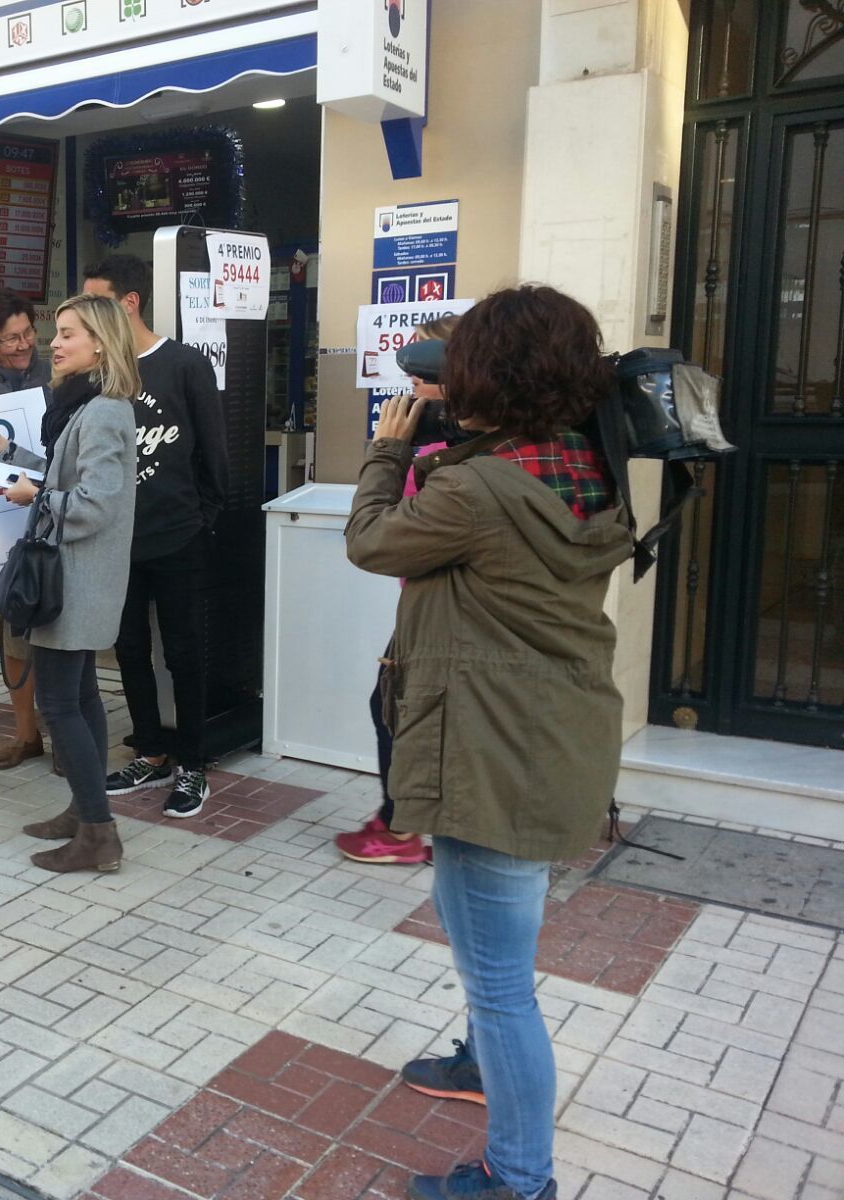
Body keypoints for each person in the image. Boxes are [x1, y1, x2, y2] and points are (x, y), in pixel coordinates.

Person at [345, 285, 634, 1200]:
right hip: (550, 738)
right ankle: (479, 1063)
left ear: (488, 381)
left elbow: (372, 542)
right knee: (504, 954)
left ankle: (519, 1176)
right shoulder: (589, 465)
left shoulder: (473, 490)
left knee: (504, 985)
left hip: (487, 754)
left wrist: (391, 451)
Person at [0, 292, 138, 874]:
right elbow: (64, 474)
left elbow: (97, 505)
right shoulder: (84, 405)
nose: (54, 344)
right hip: (74, 578)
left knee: (59, 703)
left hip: (78, 580)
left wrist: (34, 495)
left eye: (68, 333)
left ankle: (99, 834)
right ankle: (83, 812)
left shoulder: (104, 411)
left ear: (100, 343)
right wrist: (7, 452)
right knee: (81, 696)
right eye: (57, 333)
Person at [82, 255, 228, 818]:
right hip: (116, 540)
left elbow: (212, 448)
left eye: (97, 305)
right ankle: (150, 749)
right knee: (129, 650)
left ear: (129, 302)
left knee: (185, 651)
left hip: (178, 535)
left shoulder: (184, 363)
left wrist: (204, 518)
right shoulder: (100, 373)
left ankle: (192, 763)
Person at [336, 314, 461, 866]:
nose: (410, 371)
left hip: (445, 606)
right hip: (425, 598)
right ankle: (401, 821)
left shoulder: (453, 447)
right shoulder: (436, 433)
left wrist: (388, 451)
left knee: (396, 709)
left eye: (424, 362)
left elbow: (376, 538)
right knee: (394, 707)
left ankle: (401, 826)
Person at [0, 288, 52, 770]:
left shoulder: (60, 373)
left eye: (27, 334)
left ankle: (64, 735)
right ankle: (26, 734)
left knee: (60, 637)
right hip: (5, 528)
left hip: (58, 517)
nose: (22, 346)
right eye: (9, 340)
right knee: (16, 635)